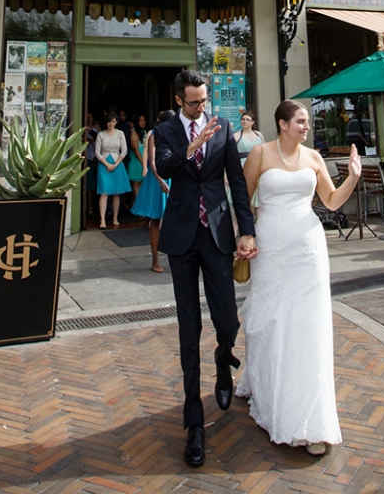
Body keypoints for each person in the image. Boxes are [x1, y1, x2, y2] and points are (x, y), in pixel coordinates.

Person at [236, 100, 361, 456]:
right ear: (282, 123)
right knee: (270, 319)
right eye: (301, 121)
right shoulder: (260, 153)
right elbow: (242, 200)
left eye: (307, 122)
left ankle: (309, 416)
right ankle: (265, 386)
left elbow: (332, 202)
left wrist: (351, 175)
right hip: (271, 247)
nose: (307, 127)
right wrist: (244, 235)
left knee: (308, 326)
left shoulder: (315, 158)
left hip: (308, 248)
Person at [155, 69, 256, 469]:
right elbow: (163, 169)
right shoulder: (166, 131)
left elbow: (237, 182)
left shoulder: (224, 126)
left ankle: (223, 359)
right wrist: (192, 144)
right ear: (180, 100)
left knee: (228, 320)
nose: (201, 107)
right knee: (188, 328)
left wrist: (246, 230)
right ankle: (194, 423)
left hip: (216, 234)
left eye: (204, 100)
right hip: (181, 236)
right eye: (194, 102)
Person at [132, 108, 174, 272]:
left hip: (172, 177)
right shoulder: (154, 135)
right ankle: (155, 259)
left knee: (175, 218)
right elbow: (153, 161)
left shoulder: (176, 134)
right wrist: (160, 179)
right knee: (156, 219)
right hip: (158, 178)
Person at [95, 112, 131, 227]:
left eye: (113, 121)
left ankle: (115, 218)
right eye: (109, 121)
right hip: (104, 163)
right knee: (104, 193)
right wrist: (107, 164)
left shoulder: (120, 134)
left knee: (116, 193)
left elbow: (124, 150)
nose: (111, 124)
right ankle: (102, 220)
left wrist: (115, 164)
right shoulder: (101, 134)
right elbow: (97, 152)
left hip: (117, 163)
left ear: (116, 122)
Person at [127, 122, 145, 201]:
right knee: (136, 182)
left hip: (143, 157)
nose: (143, 122)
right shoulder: (134, 132)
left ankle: (135, 203)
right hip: (136, 159)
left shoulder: (144, 131)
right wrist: (141, 161)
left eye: (144, 120)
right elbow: (135, 148)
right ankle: (138, 203)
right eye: (140, 120)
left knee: (141, 182)